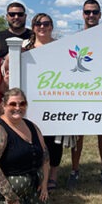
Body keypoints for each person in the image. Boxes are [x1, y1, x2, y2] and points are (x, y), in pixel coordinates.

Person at [67, 0, 102, 189]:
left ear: (100, 14)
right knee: (78, 135)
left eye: (95, 12)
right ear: (83, 14)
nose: (91, 15)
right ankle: (75, 171)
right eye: (87, 12)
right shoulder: (75, 39)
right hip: (80, 93)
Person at [28, 13, 65, 191]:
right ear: (33, 27)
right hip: (31, 101)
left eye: (46, 23)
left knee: (54, 142)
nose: (42, 27)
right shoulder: (24, 48)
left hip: (55, 99)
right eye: (38, 24)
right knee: (34, 139)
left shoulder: (60, 47)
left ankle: (53, 176)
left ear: (51, 26)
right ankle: (36, 174)